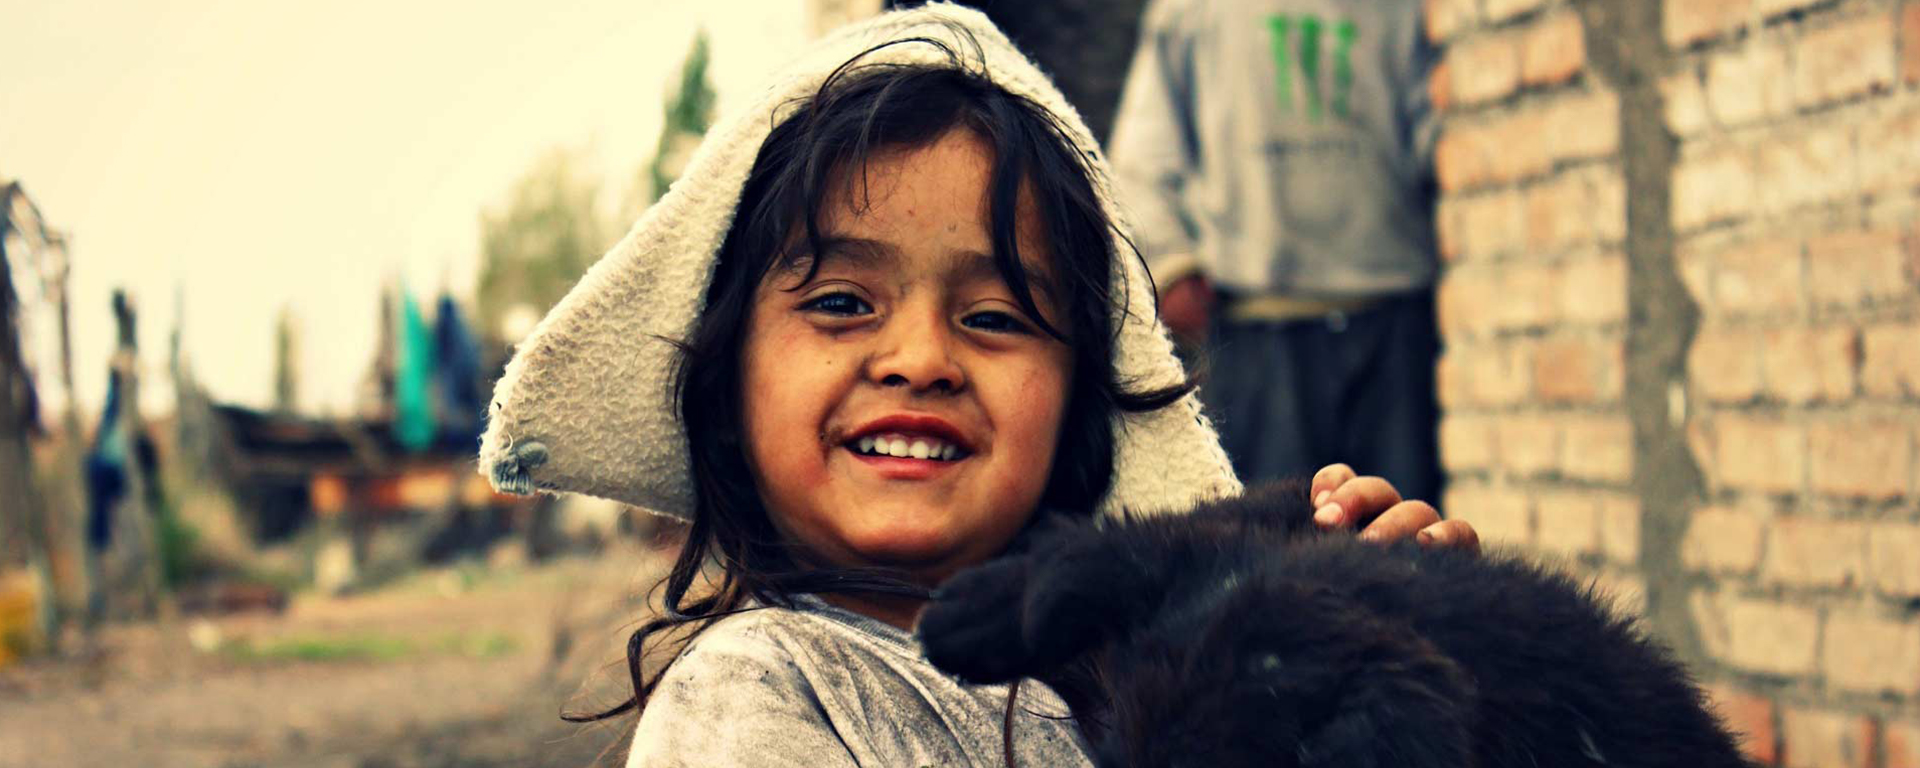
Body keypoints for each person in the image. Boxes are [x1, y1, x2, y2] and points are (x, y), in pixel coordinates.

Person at [477, 6, 1476, 766]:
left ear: (1078, 413)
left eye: (995, 317)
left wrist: (1413, 664)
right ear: (727, 393)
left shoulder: (1135, 668)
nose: (921, 357)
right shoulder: (757, 692)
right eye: (840, 302)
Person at [1108, 0, 1442, 501]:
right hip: (1259, 332)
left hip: (1396, 324)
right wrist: (1172, 266)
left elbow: (1442, 136)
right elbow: (1143, 162)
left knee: (1403, 527)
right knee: (1273, 532)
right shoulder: (1192, 10)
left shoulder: (1405, 9)